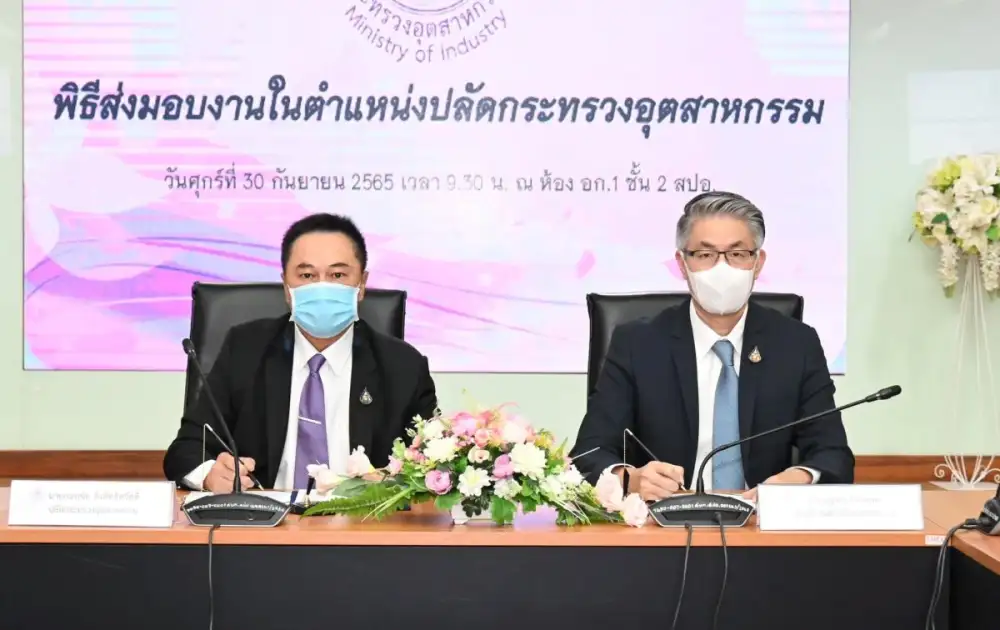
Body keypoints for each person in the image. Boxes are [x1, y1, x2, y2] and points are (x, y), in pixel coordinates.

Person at [570, 191, 853, 501]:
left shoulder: (796, 344)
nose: (722, 268)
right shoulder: (638, 345)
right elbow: (588, 453)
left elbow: (833, 454)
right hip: (665, 520)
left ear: (757, 262)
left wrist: (798, 479)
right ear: (682, 264)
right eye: (705, 255)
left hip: (760, 522)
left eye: (737, 253)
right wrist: (631, 480)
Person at [163, 213, 438, 492]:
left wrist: (395, 482)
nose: (322, 287)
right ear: (286, 286)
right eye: (307, 275)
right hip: (265, 516)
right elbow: (187, 450)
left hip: (361, 517)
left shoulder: (404, 367)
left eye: (338, 275)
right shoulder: (244, 351)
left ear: (362, 284)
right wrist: (210, 475)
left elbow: (431, 468)